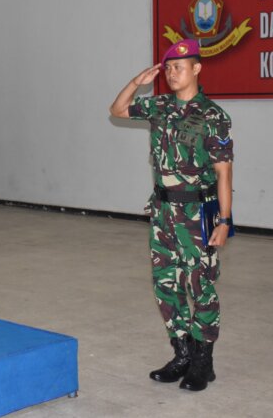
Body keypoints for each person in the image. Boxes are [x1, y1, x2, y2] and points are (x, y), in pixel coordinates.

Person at [109, 39, 234, 392]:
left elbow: (224, 173)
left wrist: (225, 221)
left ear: (197, 68)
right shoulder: (160, 105)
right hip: (163, 211)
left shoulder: (213, 116)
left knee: (200, 285)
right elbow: (117, 110)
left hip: (199, 211)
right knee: (166, 284)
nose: (172, 73)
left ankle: (202, 361)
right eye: (168, 68)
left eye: (179, 67)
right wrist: (137, 83)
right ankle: (180, 354)